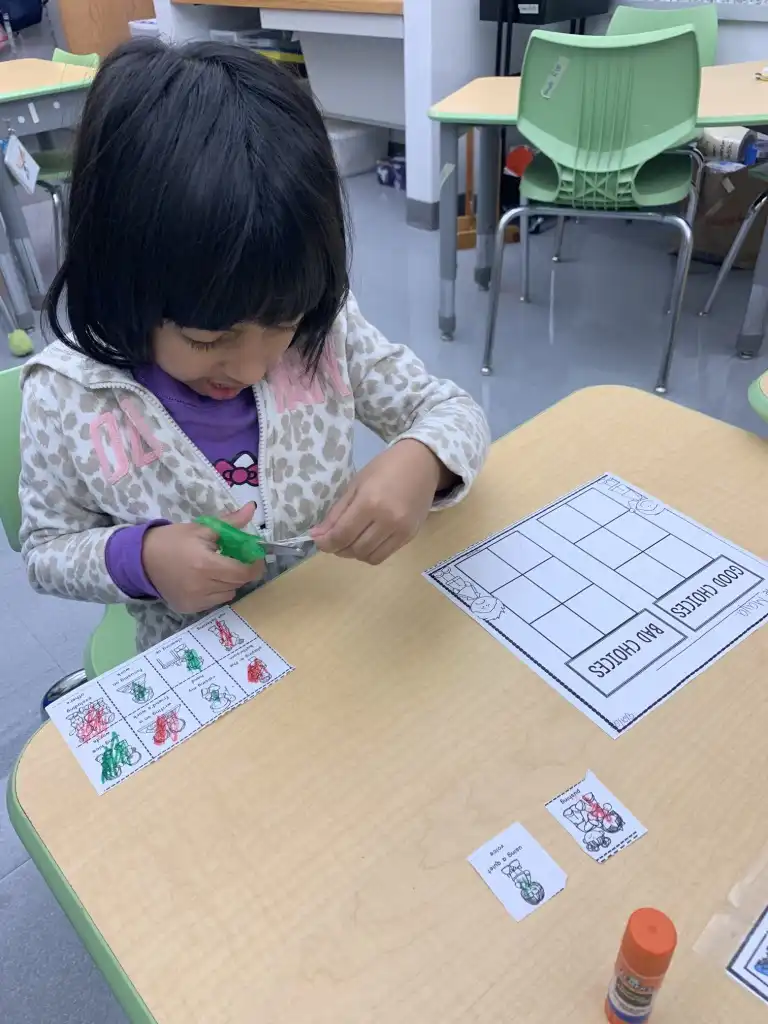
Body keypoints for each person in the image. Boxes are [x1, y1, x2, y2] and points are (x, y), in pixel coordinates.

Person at [19, 40, 489, 653]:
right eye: (206, 339)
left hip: (336, 630)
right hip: (200, 659)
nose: (250, 366)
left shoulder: (328, 328)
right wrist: (142, 558)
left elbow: (455, 412)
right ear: (120, 286)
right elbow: (46, 551)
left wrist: (422, 461)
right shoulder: (66, 397)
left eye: (283, 324)